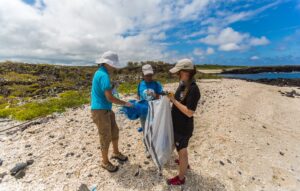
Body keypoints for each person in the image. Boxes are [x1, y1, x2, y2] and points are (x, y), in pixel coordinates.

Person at [91, 51, 132, 173]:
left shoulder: (101, 73)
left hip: (106, 109)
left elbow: (105, 92)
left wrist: (112, 87)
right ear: (107, 63)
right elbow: (110, 98)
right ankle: (105, 161)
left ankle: (115, 152)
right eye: (113, 64)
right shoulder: (103, 75)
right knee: (105, 136)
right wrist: (125, 103)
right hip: (100, 110)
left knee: (114, 131)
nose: (114, 67)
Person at [166, 59, 201, 185]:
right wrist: (172, 98)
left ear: (185, 72)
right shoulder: (183, 84)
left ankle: (181, 178)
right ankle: (183, 163)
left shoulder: (193, 89)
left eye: (178, 72)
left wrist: (173, 101)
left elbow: (190, 112)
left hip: (183, 127)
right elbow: (179, 100)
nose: (176, 74)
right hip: (177, 125)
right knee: (180, 148)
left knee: (182, 150)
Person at [137, 64, 163, 157]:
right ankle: (147, 148)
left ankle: (156, 148)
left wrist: (154, 94)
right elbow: (138, 96)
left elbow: (161, 97)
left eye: (150, 75)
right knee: (146, 130)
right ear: (143, 75)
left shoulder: (157, 84)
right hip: (143, 113)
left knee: (156, 130)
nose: (149, 77)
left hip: (155, 112)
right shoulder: (140, 84)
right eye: (147, 75)